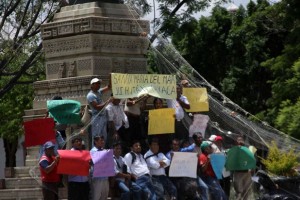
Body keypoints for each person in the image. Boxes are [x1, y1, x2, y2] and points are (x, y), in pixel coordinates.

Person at [86, 78, 111, 144]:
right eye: (97, 83)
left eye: (99, 83)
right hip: (97, 118)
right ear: (92, 85)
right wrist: (108, 102)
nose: (99, 85)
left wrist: (111, 77)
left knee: (103, 137)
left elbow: (109, 87)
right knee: (97, 137)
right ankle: (95, 152)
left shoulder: (98, 92)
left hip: (103, 117)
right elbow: (97, 107)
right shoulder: (90, 95)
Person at [232, 136, 254, 200]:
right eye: (239, 140)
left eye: (241, 140)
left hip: (247, 173)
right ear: (236, 142)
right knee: (239, 191)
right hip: (238, 173)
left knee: (246, 191)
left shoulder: (247, 150)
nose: (240, 141)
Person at [90, 135, 110, 200]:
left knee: (105, 196)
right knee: (96, 196)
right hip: (97, 178)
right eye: (101, 140)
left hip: (105, 178)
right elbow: (93, 162)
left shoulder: (104, 150)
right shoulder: (93, 151)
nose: (103, 142)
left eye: (103, 140)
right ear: (95, 141)